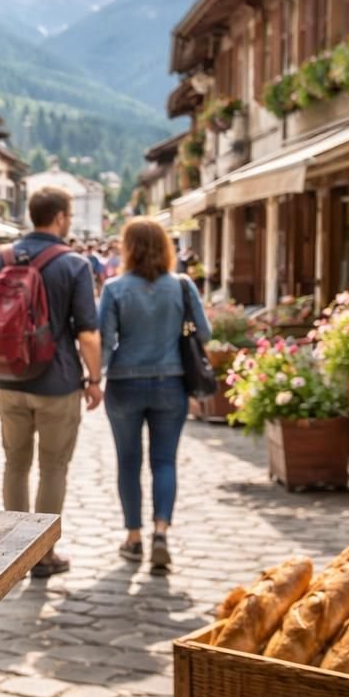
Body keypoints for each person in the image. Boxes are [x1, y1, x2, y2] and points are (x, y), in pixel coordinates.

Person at [0, 187, 103, 577]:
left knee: (14, 464)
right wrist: (94, 379)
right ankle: (43, 556)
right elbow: (87, 333)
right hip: (58, 382)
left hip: (8, 380)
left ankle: (15, 553)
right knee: (53, 468)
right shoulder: (74, 265)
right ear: (62, 217)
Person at [98, 217, 211, 573]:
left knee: (128, 463)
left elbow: (103, 345)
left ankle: (133, 537)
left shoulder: (114, 289)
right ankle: (161, 532)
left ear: (127, 248)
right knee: (164, 461)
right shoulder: (181, 285)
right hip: (171, 382)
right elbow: (204, 333)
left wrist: (92, 377)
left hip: (124, 384)